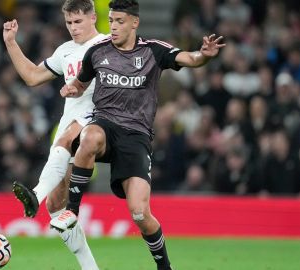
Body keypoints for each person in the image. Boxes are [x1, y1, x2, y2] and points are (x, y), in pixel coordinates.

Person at [49, 0, 225, 269]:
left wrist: (205, 56)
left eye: (119, 21)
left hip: (137, 137)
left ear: (134, 22)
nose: (114, 27)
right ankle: (72, 211)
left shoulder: (153, 50)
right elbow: (81, 83)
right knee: (89, 136)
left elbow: (190, 58)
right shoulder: (97, 52)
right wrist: (72, 89)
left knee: (140, 214)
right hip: (105, 125)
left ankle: (164, 266)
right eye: (111, 20)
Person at [3, 1, 106, 269]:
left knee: (63, 140)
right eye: (69, 23)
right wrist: (11, 42)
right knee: (57, 206)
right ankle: (90, 267)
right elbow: (32, 77)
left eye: (78, 22)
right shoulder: (66, 51)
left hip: (99, 119)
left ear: (93, 17)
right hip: (70, 119)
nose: (73, 28)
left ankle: (35, 194)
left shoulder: (108, 45)